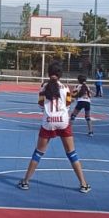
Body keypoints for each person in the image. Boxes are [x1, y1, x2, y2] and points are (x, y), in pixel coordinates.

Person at [17, 64, 91, 193]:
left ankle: (25, 181)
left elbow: (40, 104)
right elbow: (68, 103)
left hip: (48, 122)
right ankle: (83, 184)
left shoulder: (44, 87)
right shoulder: (65, 87)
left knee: (38, 153)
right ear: (60, 74)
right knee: (71, 153)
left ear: (48, 73)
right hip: (63, 121)